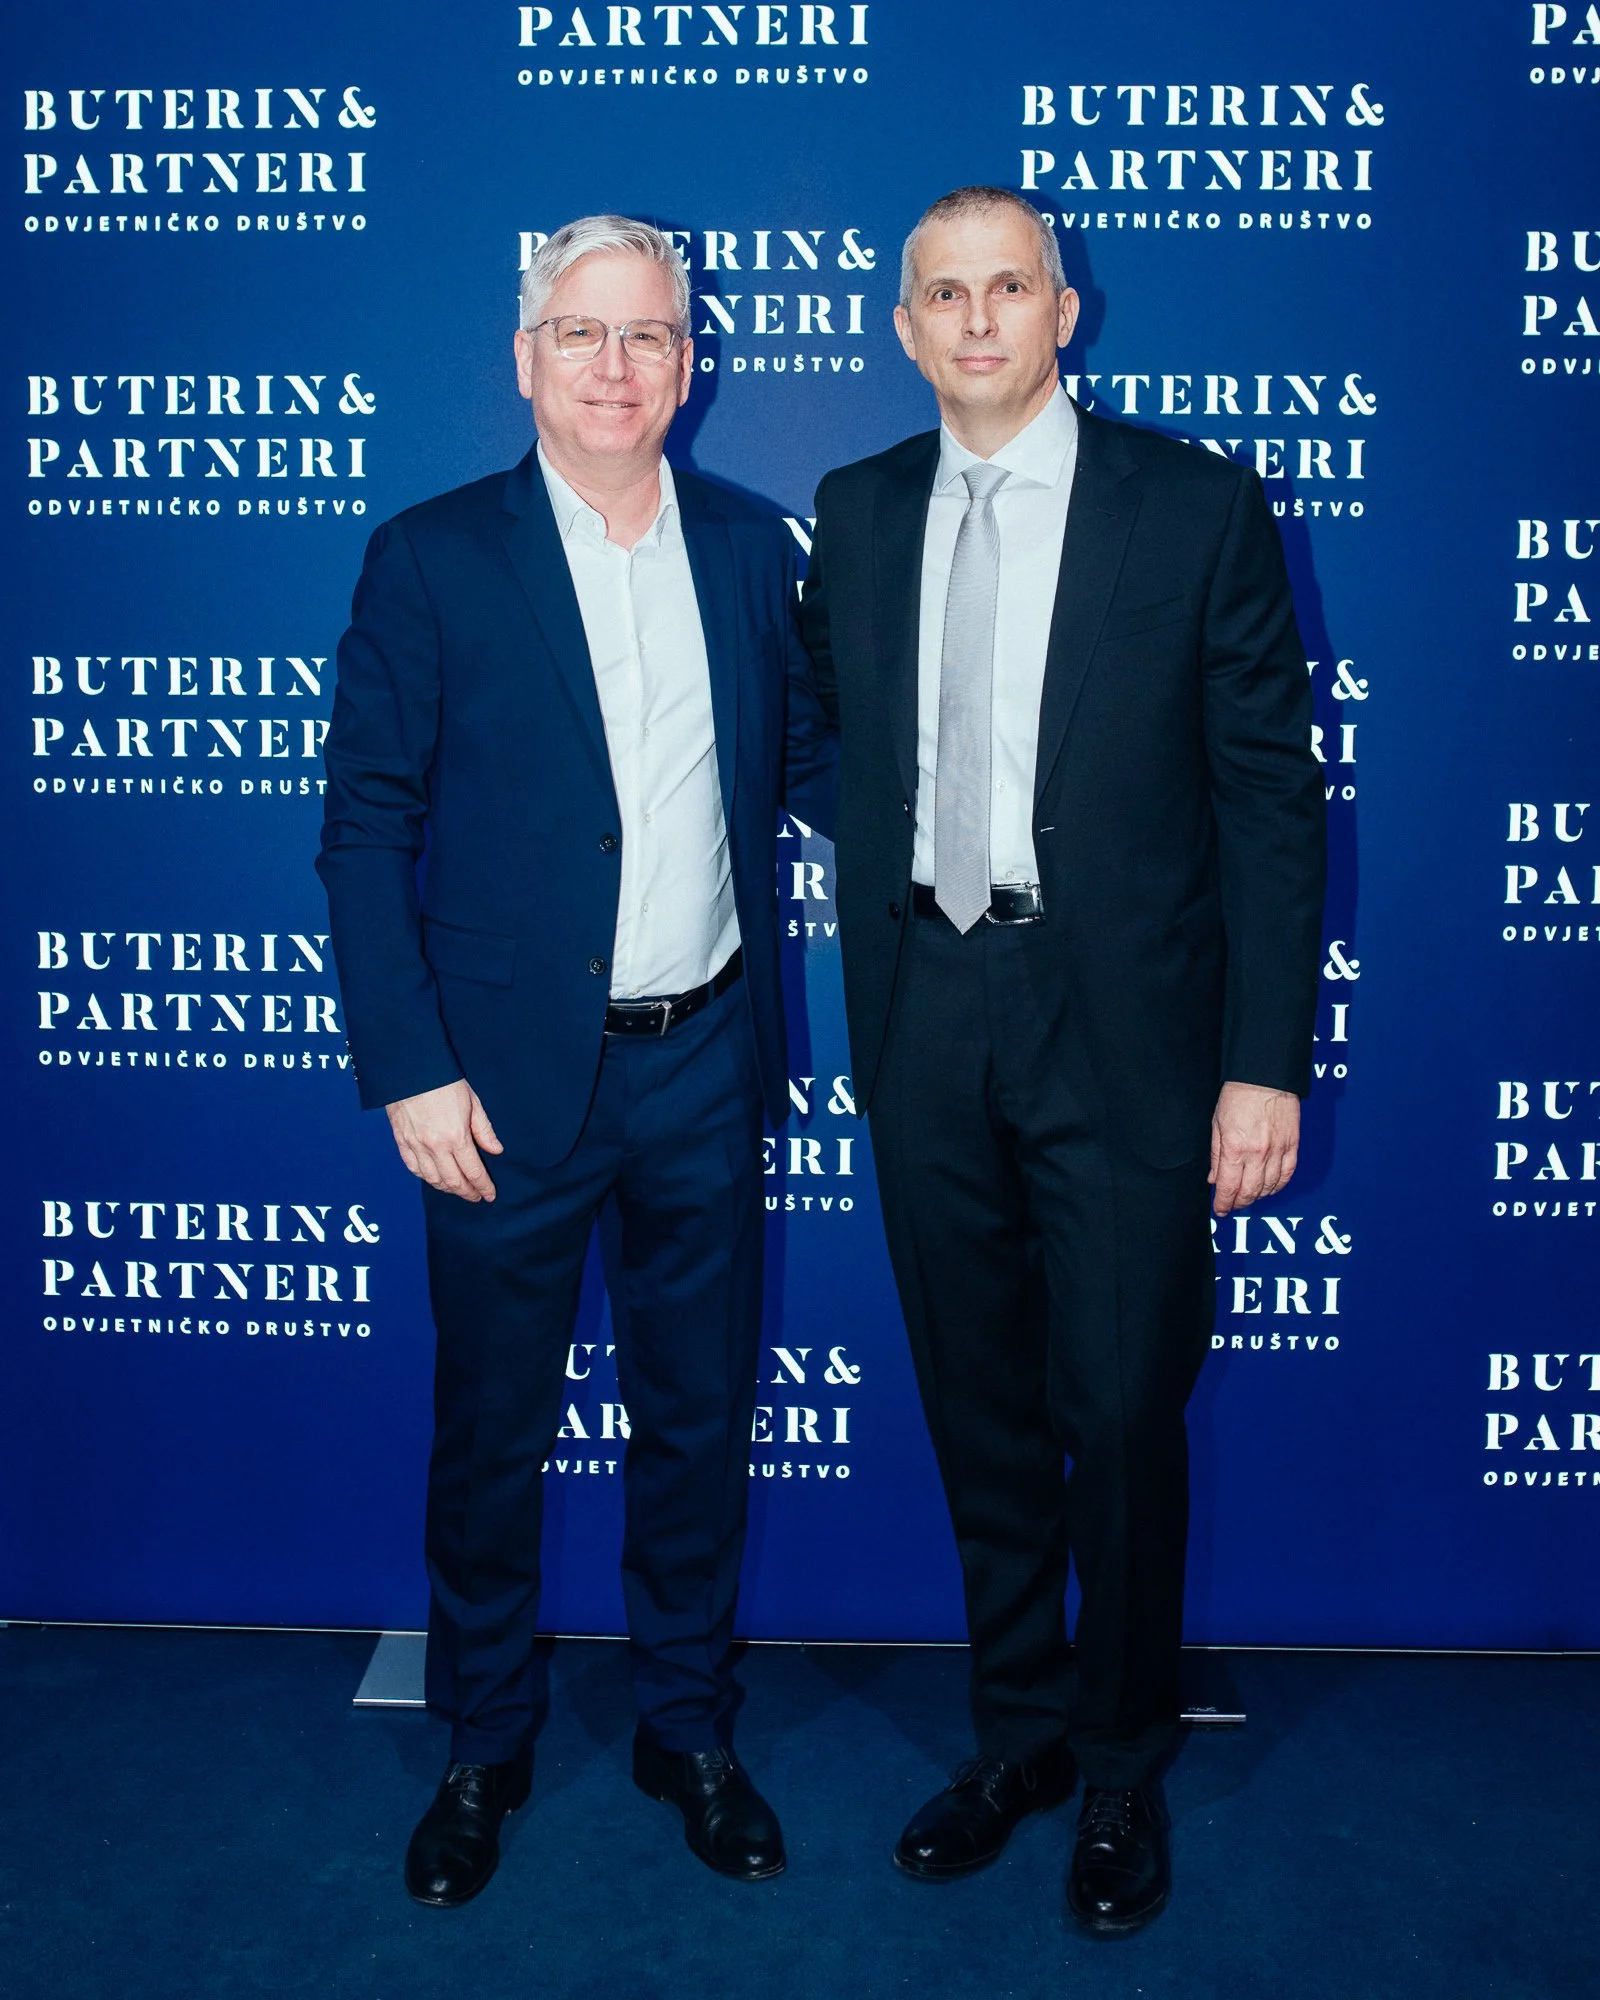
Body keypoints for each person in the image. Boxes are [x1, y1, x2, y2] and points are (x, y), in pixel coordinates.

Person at [797, 186, 1325, 1935]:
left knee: (1115, 1405)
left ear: (1063, 310)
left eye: (1005, 288)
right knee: (983, 1406)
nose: (973, 321)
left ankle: (1118, 1766)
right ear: (901, 322)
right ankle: (1016, 1731)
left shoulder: (1192, 505)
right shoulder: (858, 511)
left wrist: (1264, 1063)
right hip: (926, 1010)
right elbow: (836, 747)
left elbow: (1269, 803)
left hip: (1130, 1038)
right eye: (938, 291)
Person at [318, 214, 834, 1907]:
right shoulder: (432, 557)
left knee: (698, 1423)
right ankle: (483, 1743)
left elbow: (838, 770)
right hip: (498, 1085)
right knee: (492, 1433)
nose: (619, 366)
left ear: (694, 364)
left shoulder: (762, 552)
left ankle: (688, 1727)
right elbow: (364, 831)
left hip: (703, 1065)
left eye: (651, 337)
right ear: (525, 355)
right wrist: (408, 1067)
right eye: (584, 334)